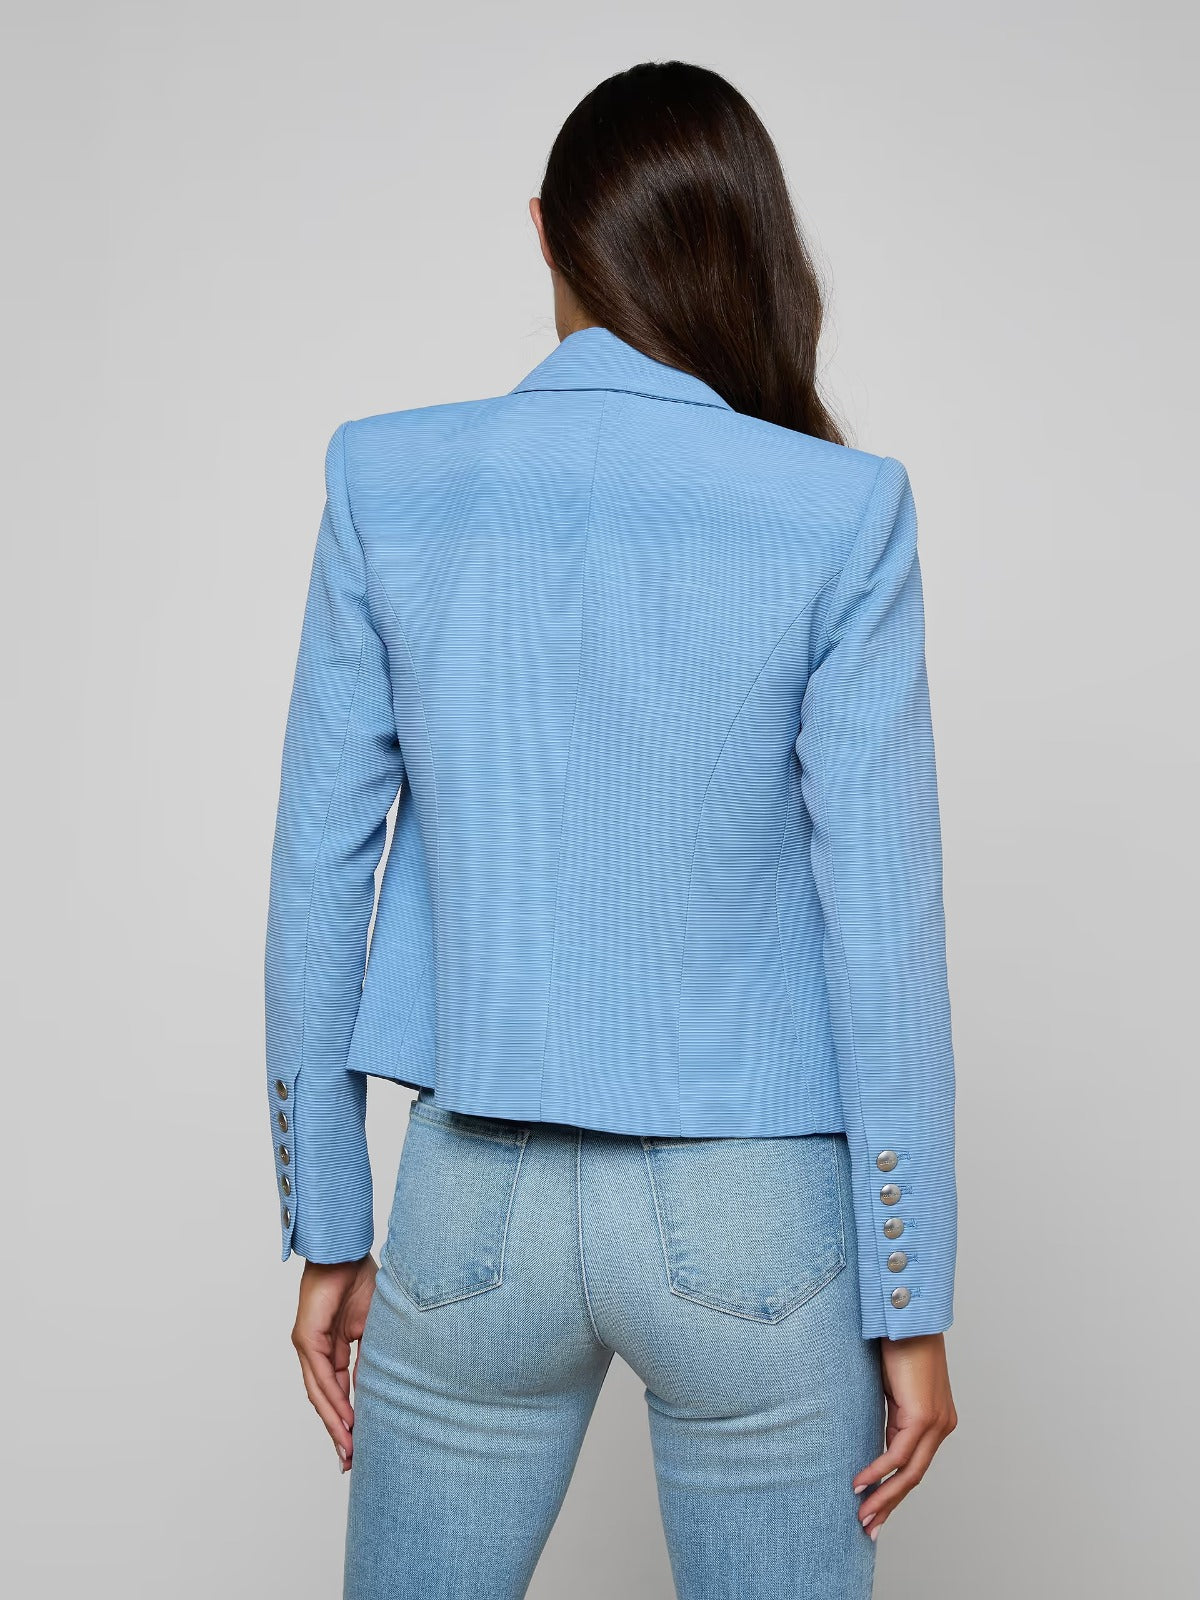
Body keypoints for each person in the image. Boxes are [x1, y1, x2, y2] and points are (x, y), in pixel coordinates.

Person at [264, 58, 959, 1600]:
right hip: (757, 1218)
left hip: (473, 1201)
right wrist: (911, 1301)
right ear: (751, 250)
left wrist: (330, 1222)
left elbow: (320, 867)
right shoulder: (840, 511)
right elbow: (884, 931)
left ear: (543, 231)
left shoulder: (389, 480)